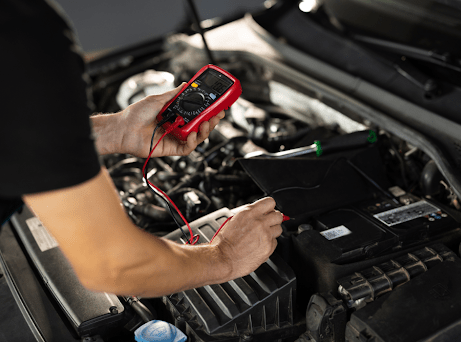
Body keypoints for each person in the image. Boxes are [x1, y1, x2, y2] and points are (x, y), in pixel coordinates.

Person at [0, 0, 283, 297]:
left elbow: (16, 133)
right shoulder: (21, 35)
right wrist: (226, 256)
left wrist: (116, 131)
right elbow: (113, 265)